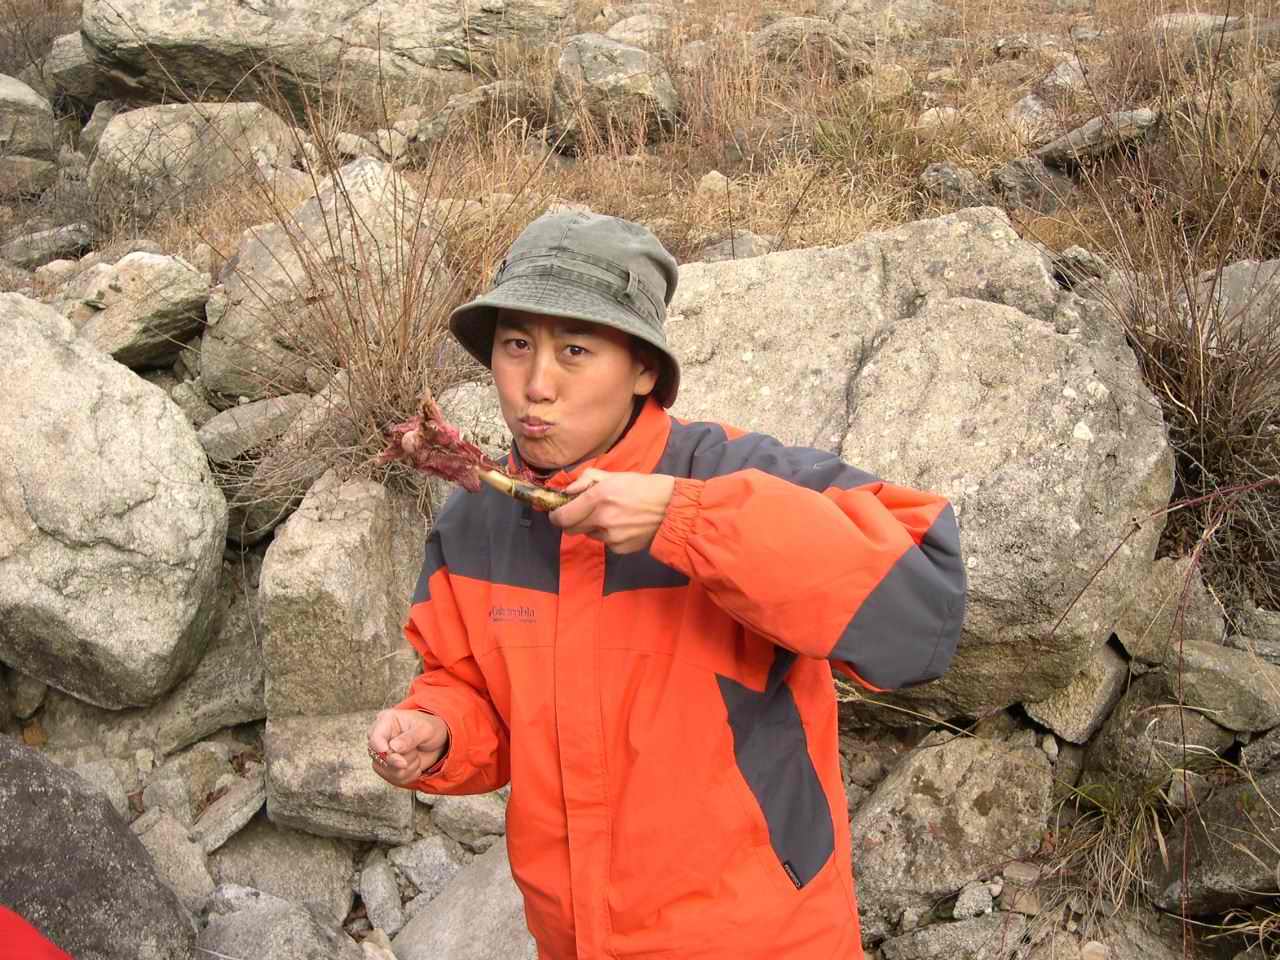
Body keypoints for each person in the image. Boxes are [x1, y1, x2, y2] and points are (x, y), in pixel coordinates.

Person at [367, 211, 966, 959]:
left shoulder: (739, 476)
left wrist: (688, 521)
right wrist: (440, 730)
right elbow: (474, 689)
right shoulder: (475, 523)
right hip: (574, 940)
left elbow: (923, 614)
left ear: (644, 370)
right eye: (516, 345)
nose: (536, 386)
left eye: (575, 350)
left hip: (762, 941)